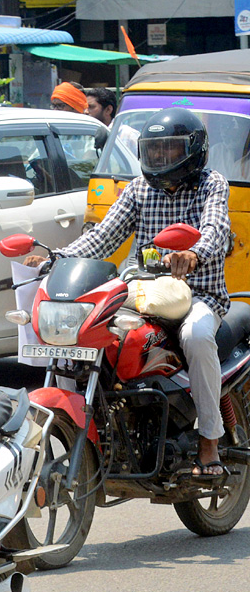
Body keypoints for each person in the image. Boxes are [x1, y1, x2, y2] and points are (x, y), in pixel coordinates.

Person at [25, 106, 231, 476]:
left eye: (170, 149)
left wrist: (192, 254)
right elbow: (103, 236)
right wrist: (56, 258)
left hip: (199, 295)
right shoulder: (138, 189)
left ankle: (209, 443)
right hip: (143, 295)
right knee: (93, 336)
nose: (161, 157)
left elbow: (216, 231)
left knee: (197, 337)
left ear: (193, 150)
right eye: (154, 150)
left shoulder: (211, 184)